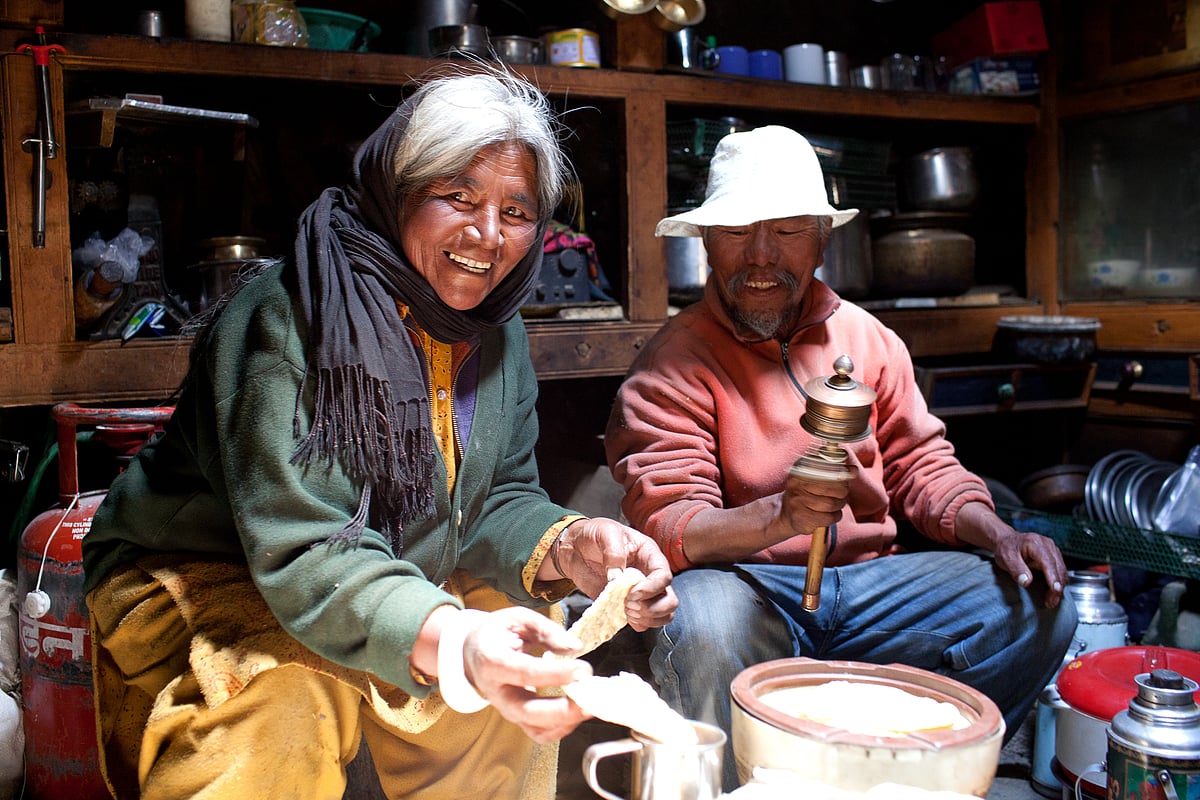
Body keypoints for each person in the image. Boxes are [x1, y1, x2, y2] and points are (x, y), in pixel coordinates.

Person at [82, 67, 677, 800]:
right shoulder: (293, 316)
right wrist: (456, 639)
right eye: (459, 197)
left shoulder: (495, 330)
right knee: (283, 695)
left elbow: (491, 500)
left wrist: (572, 544)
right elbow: (307, 545)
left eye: (517, 211)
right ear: (398, 192)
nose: (488, 236)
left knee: (524, 643)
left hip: (383, 564)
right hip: (206, 570)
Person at [604, 125, 1077, 790]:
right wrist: (781, 517)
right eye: (737, 231)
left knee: (1038, 604)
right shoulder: (671, 366)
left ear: (824, 238)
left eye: (788, 230)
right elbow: (671, 527)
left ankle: (902, 775)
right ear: (706, 240)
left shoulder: (870, 340)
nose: (761, 255)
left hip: (869, 589)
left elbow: (923, 468)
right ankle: (730, 788)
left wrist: (999, 533)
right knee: (701, 619)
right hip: (750, 589)